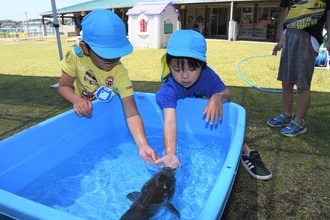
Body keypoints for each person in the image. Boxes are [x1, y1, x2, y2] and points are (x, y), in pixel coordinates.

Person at [154, 30, 272, 180]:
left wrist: (218, 96)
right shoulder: (169, 87)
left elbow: (227, 94)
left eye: (192, 69)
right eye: (177, 69)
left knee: (223, 117)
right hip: (185, 119)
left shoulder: (207, 76)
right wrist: (170, 153)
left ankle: (247, 153)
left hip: (200, 116)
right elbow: (170, 122)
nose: (184, 76)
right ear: (168, 65)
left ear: (202, 65)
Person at [57, 9, 158, 163]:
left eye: (116, 53)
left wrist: (143, 146)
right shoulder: (76, 58)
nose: (112, 58)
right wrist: (76, 100)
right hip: (81, 115)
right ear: (85, 48)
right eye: (105, 53)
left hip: (104, 117)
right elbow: (63, 86)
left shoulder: (119, 72)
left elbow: (131, 112)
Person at [267, 1, 330, 137]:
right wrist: (281, 41)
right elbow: (288, 17)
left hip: (308, 38)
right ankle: (287, 114)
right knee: (286, 81)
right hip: (290, 36)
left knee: (302, 84)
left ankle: (299, 121)